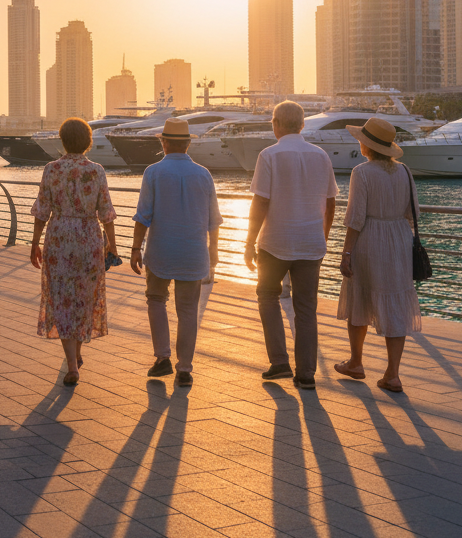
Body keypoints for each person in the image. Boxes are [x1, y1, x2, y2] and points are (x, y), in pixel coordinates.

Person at [243, 101, 338, 391]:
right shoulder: (320, 155)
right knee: (306, 308)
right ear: (302, 124)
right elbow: (331, 201)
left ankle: (279, 362)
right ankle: (307, 373)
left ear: (276, 124)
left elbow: (261, 201)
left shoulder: (269, 155)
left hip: (275, 243)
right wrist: (322, 234)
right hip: (311, 243)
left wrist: (249, 242)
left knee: (267, 297)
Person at [129, 118, 221, 387]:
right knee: (188, 310)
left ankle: (162, 359)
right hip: (193, 253)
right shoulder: (204, 174)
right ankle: (185, 368)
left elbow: (143, 215)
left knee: (156, 300)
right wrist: (213, 252)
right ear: (188, 144)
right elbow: (214, 220)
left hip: (161, 252)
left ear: (164, 142)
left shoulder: (153, 172)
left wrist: (136, 248)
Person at [335, 118, 422, 393]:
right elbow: (414, 214)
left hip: (369, 239)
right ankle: (392, 374)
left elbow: (356, 218)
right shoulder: (404, 171)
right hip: (398, 239)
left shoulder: (361, 172)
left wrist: (346, 253)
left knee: (359, 298)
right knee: (395, 302)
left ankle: (356, 362)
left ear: (367, 145)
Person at [29, 118, 118, 387]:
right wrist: (112, 246)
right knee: (83, 297)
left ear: (63, 140)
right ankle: (76, 355)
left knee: (62, 298)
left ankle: (72, 363)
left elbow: (42, 210)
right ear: (88, 141)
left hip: (59, 238)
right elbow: (107, 214)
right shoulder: (97, 171)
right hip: (89, 238)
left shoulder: (51, 169)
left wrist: (35, 242)